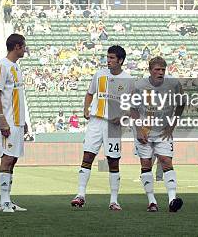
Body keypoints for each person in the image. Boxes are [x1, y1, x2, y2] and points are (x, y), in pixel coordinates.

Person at [71, 45, 134, 211]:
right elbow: (90, 93)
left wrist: (122, 116)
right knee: (87, 157)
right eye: (108, 57)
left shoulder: (128, 80)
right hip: (96, 122)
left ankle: (114, 200)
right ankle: (80, 195)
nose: (109, 60)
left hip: (113, 126)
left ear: (120, 60)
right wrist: (86, 108)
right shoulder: (99, 75)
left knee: (113, 161)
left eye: (112, 58)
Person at [131, 56, 184, 212]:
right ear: (150, 70)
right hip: (144, 132)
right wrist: (139, 130)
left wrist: (171, 127)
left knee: (166, 161)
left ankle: (172, 200)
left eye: (163, 69)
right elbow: (133, 109)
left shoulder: (173, 84)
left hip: (163, 132)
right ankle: (152, 201)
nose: (160, 72)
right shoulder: (140, 85)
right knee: (146, 165)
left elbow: (181, 104)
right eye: (157, 69)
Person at [0, 34, 29, 212]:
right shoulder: (1, 65)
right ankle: (3, 201)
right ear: (16, 47)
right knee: (7, 158)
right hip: (8, 121)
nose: (25, 49)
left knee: (13, 159)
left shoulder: (16, 67)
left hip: (17, 122)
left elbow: (17, 97)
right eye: (23, 46)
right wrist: (1, 119)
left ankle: (8, 199)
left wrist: (24, 121)